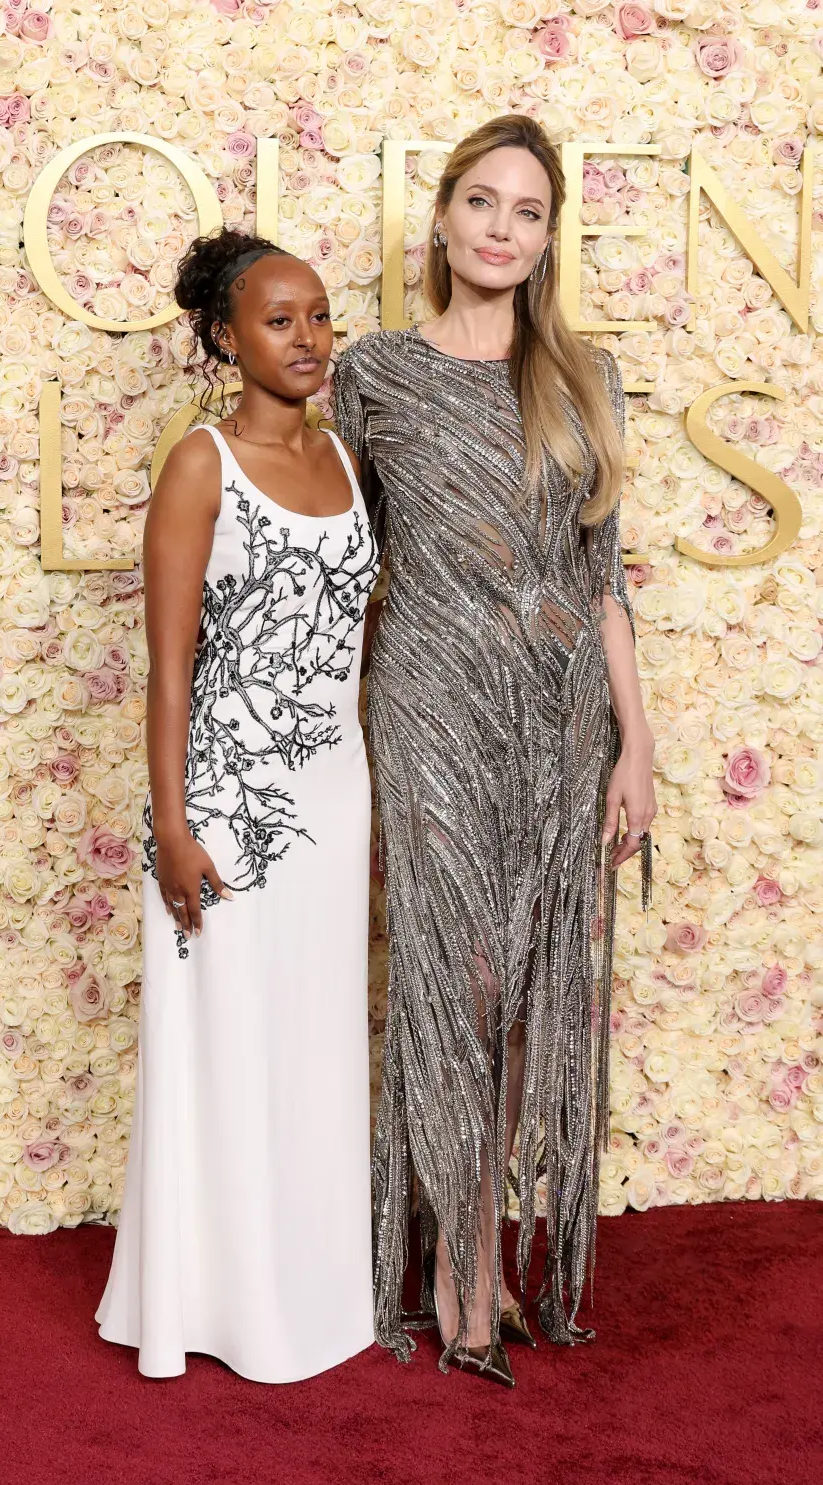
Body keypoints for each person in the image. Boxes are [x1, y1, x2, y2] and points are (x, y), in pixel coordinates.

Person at [333, 114, 656, 1386]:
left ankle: (497, 1258)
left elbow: (605, 572)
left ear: (548, 236)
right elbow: (332, 556)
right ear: (444, 218)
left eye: (526, 212)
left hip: (562, 713)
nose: (500, 229)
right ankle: (459, 1276)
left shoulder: (587, 378)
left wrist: (638, 742)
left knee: (528, 1001)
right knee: (455, 982)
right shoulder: (373, 373)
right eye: (481, 202)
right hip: (429, 699)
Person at [96, 227, 379, 1383]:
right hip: (226, 808)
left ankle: (310, 1294)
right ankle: (216, 1308)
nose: (308, 338)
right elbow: (171, 666)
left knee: (311, 1047)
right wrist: (171, 824)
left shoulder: (351, 463)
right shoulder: (199, 463)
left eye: (318, 315)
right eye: (279, 319)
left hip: (333, 794)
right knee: (225, 1046)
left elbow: (357, 643)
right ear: (223, 335)